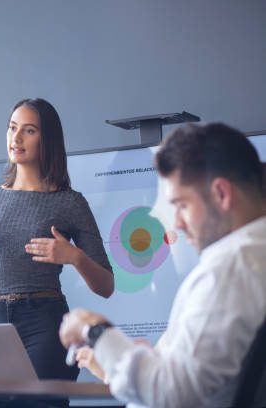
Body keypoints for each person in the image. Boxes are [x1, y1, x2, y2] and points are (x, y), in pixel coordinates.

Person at [59, 122, 266, 407]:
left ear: (221, 194)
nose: (178, 224)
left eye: (182, 205)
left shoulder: (229, 271)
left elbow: (171, 394)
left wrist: (95, 330)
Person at [0, 98, 114, 380]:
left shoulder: (69, 202)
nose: (17, 137)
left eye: (29, 130)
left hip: (45, 322)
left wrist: (74, 257)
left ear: (46, 139)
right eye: (12, 128)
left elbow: (106, 286)